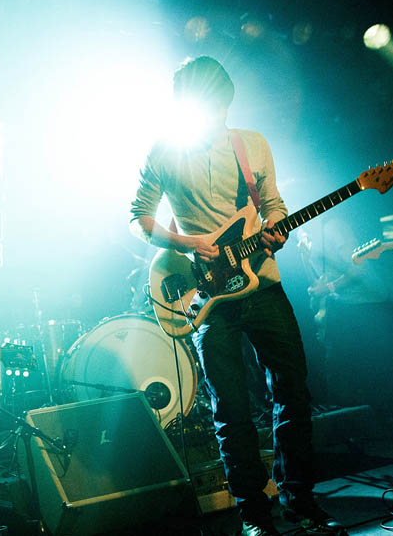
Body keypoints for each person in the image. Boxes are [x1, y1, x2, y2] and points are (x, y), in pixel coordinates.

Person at [130, 56, 345, 536]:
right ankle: (253, 511)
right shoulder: (164, 150)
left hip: (263, 284)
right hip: (208, 299)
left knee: (292, 392)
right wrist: (188, 243)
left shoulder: (252, 145)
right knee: (230, 409)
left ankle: (301, 499)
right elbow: (139, 217)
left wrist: (276, 231)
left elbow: (274, 205)